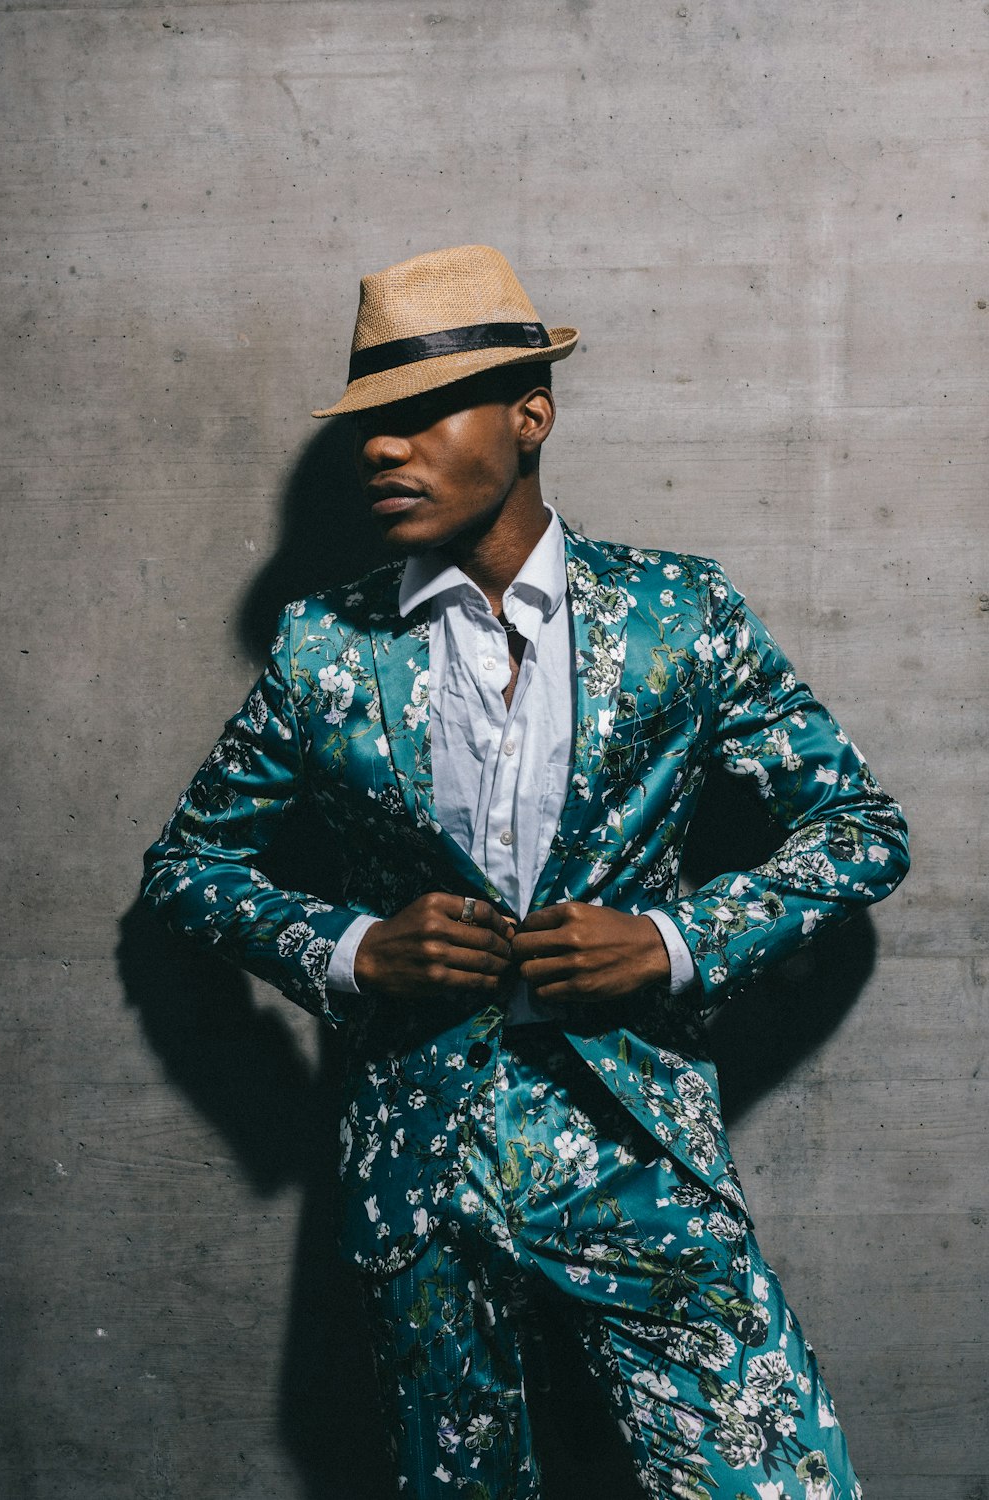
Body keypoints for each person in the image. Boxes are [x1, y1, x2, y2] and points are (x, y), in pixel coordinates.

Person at [142, 244, 909, 1499]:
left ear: (529, 415)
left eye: (416, 415)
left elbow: (858, 829)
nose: (380, 451)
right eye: (365, 429)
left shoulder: (678, 615)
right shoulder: (323, 645)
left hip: (633, 1151)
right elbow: (189, 866)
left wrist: (666, 940)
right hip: (423, 1174)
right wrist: (353, 950)